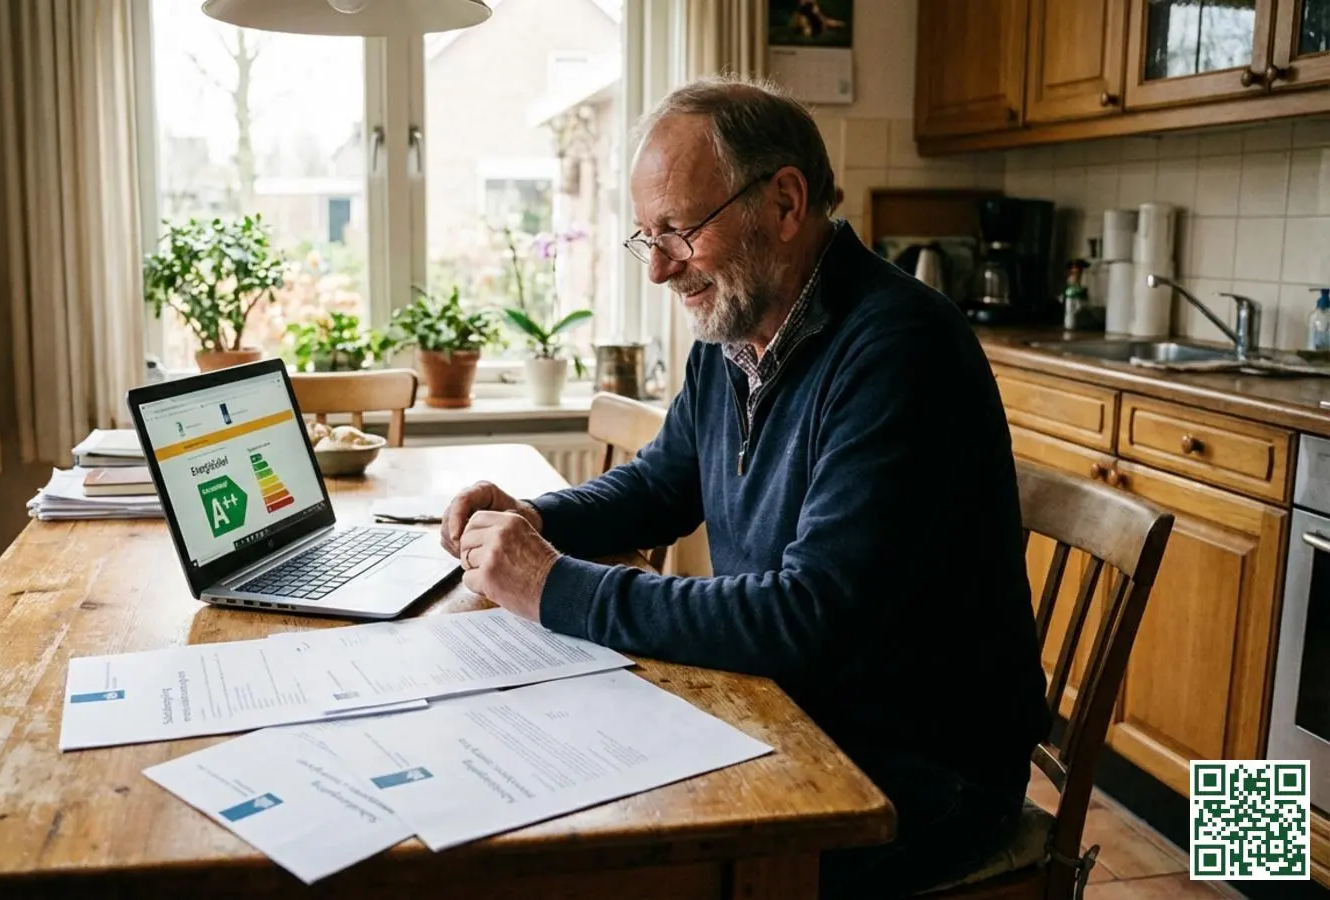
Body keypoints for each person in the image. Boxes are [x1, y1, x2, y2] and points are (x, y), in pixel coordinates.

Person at [441, 76, 1050, 899]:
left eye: (679, 231)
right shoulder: (733, 334)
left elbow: (809, 620)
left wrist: (552, 586)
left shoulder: (901, 349)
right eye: (645, 236)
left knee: (605, 865)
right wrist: (534, 517)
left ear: (786, 202)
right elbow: (661, 485)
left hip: (920, 771)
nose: (658, 268)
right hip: (792, 710)